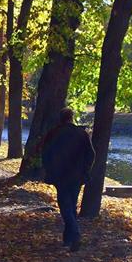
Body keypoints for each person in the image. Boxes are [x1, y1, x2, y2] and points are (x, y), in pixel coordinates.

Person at [42, 107, 95, 252]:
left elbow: (45, 153)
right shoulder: (81, 133)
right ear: (71, 118)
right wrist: (85, 169)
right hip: (77, 176)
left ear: (61, 118)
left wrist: (49, 169)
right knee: (71, 205)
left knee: (65, 205)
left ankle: (75, 235)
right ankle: (68, 238)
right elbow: (91, 154)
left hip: (60, 175)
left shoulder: (54, 133)